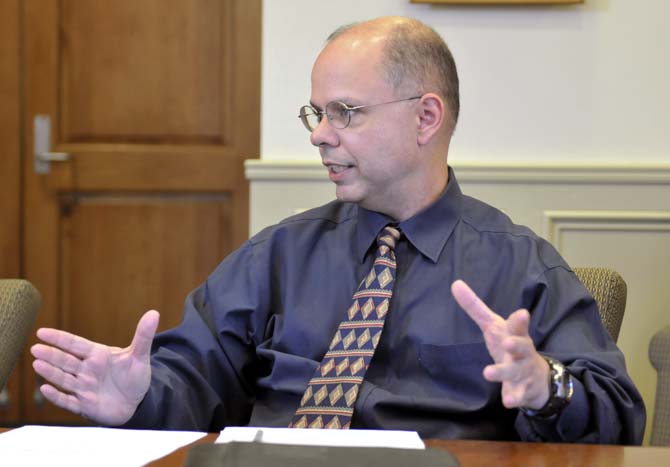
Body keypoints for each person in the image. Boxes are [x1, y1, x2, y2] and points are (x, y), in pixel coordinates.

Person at [31, 16, 645, 443]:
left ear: (426, 117)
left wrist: (546, 387)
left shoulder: (522, 267)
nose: (319, 134)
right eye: (316, 113)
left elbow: (618, 419)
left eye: (344, 112)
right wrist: (139, 397)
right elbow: (193, 380)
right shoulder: (278, 253)